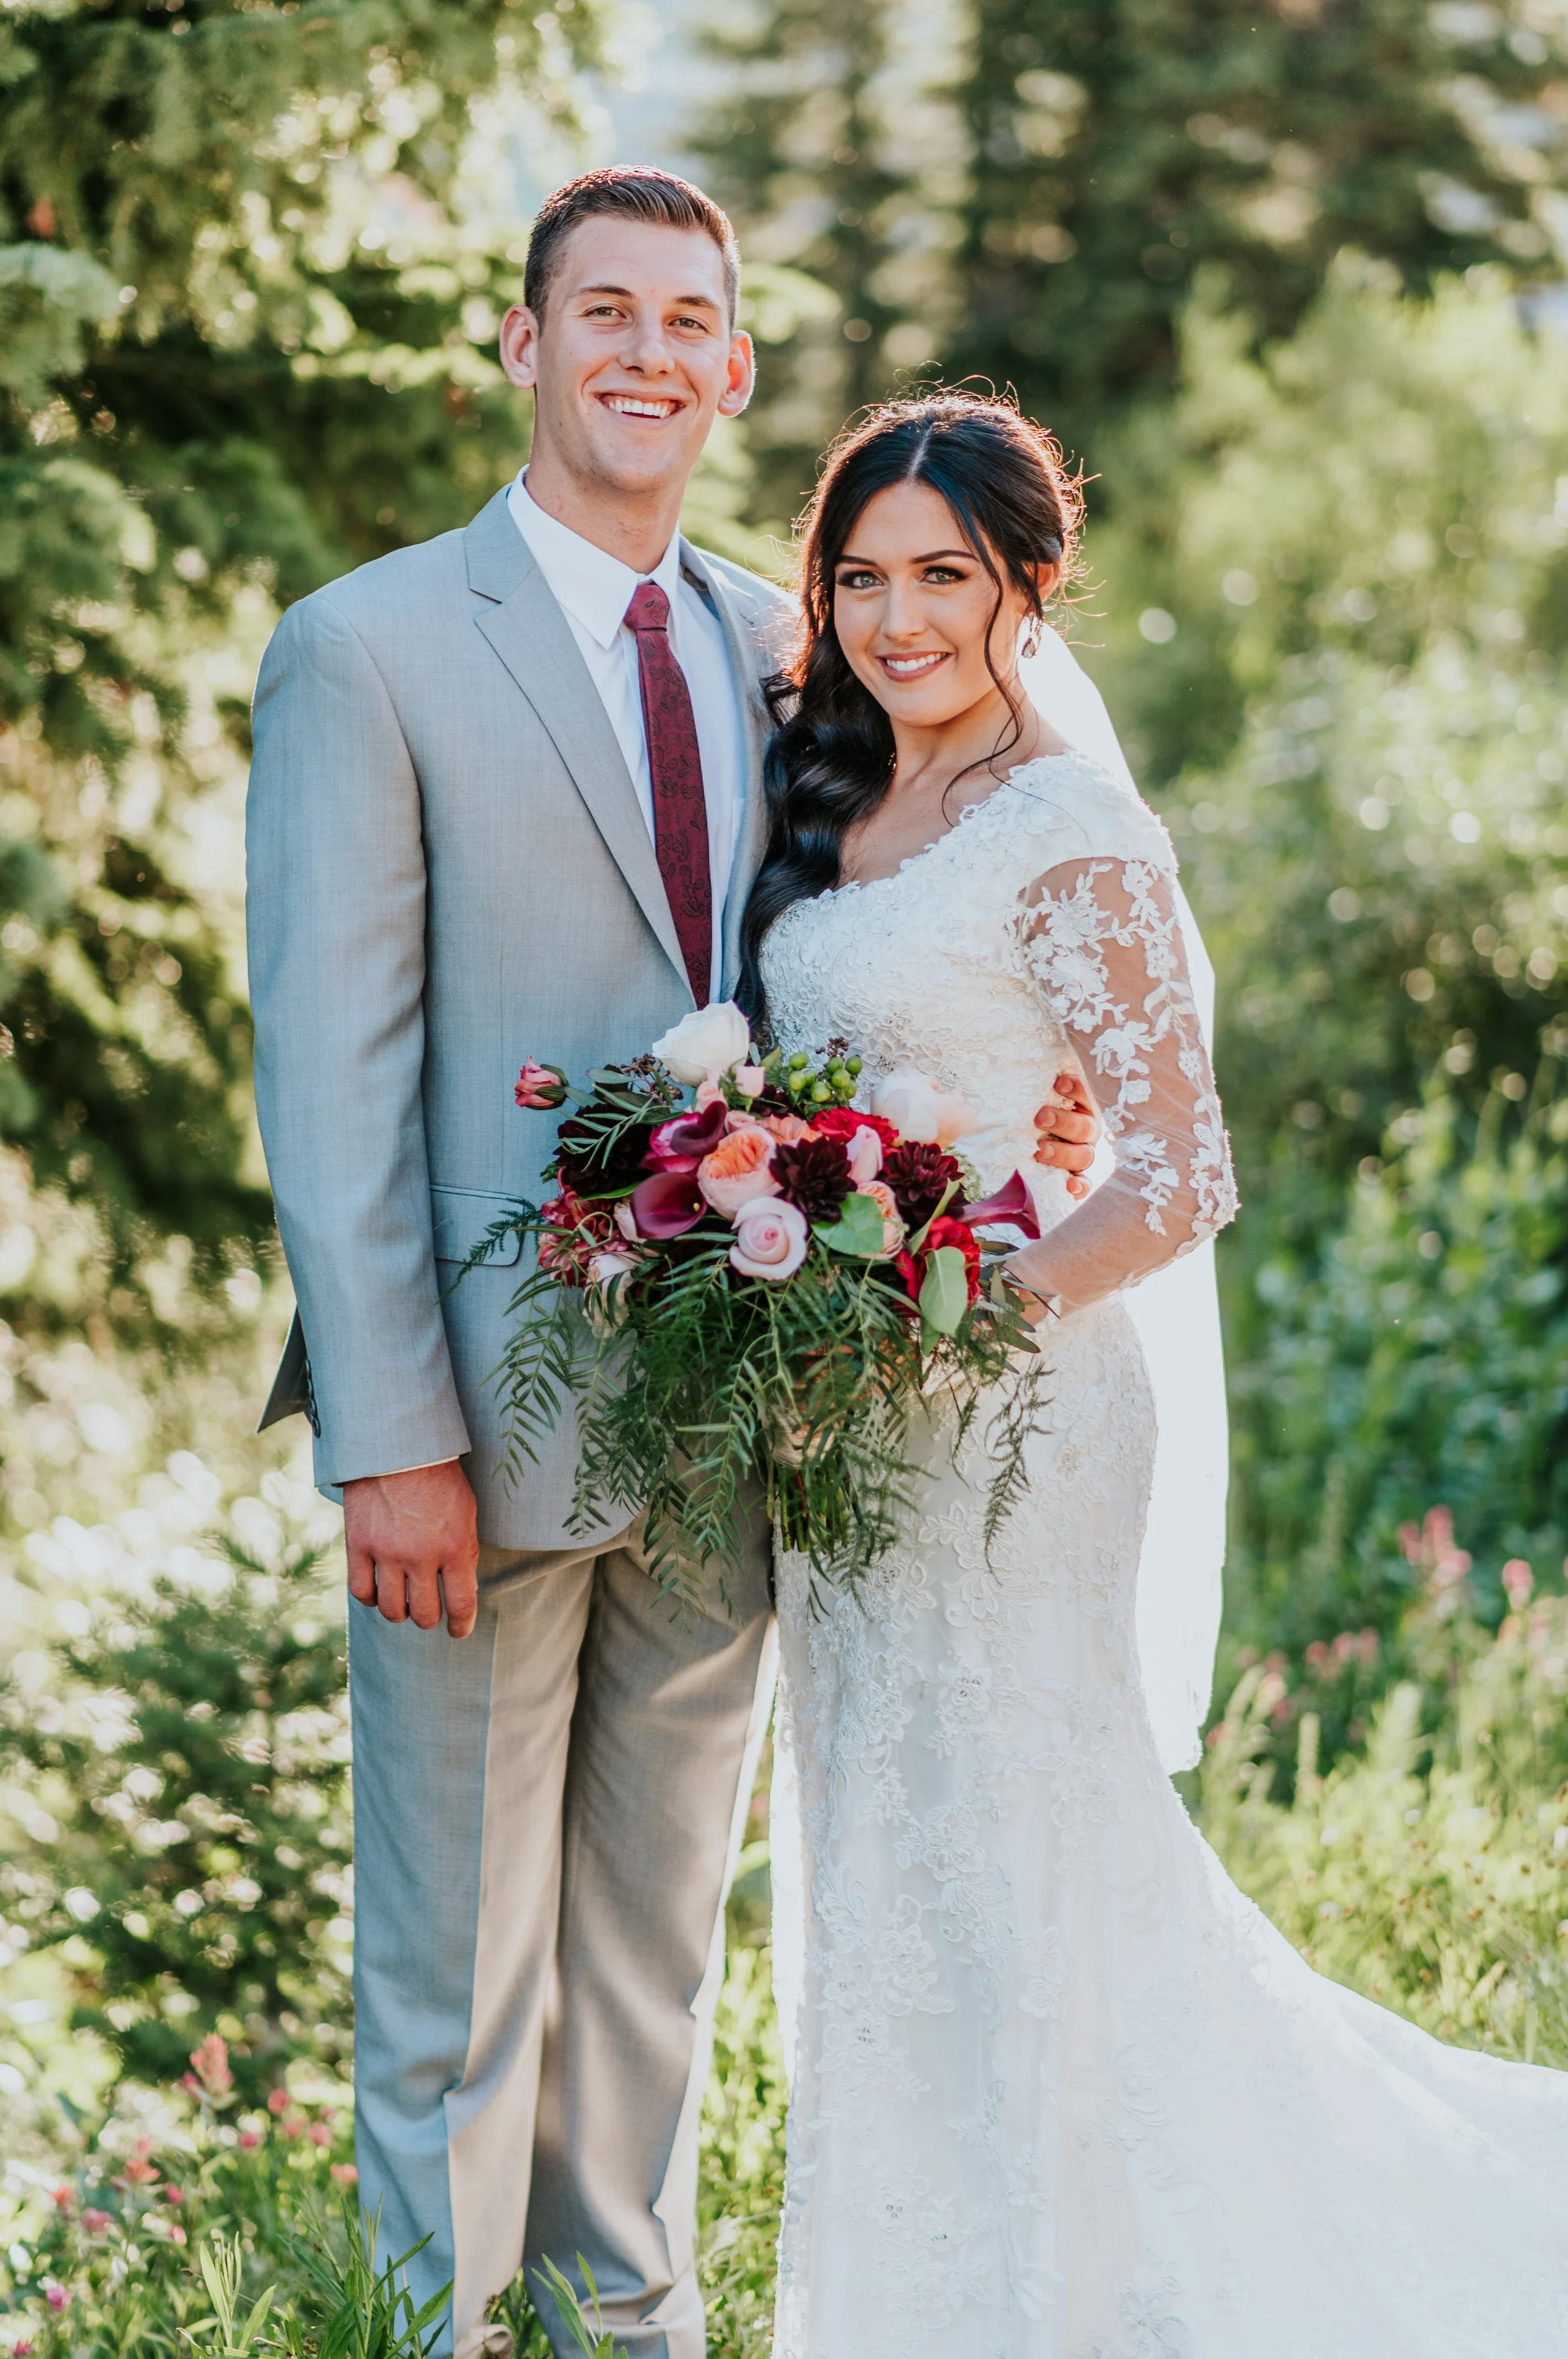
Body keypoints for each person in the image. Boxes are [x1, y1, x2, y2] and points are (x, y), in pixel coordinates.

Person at [246, 168, 1094, 2359]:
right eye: (597, 311)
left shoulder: (776, 644)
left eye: (686, 319)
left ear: (732, 366)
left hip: (733, 1404)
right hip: (478, 1429)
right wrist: (389, 1437)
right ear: (518, 349)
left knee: (648, 1959)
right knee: (454, 1980)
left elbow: (868, 981)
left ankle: (627, 2334)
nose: (643, 351)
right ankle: (430, 2342)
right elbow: (334, 1080)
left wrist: (1029, 1120)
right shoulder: (370, 646)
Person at [741, 391, 1568, 2358]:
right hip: (845, 1446)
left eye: (941, 574)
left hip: (1011, 1419)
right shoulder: (835, 800)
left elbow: (1175, 1170)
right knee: (883, 1871)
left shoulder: (1071, 827)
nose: (897, 618)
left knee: (1027, 1856)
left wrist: (938, 1318)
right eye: (860, 577)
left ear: (1028, 581)